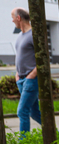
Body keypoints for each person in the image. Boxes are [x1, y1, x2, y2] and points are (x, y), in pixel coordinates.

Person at [11, 7, 41, 135]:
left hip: (31, 80)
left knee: (22, 111)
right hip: (21, 80)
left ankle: (24, 143)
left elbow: (43, 59)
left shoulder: (34, 35)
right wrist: (17, 74)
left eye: (13, 18)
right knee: (34, 114)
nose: (12, 21)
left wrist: (32, 75)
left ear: (18, 18)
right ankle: (58, 135)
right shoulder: (19, 36)